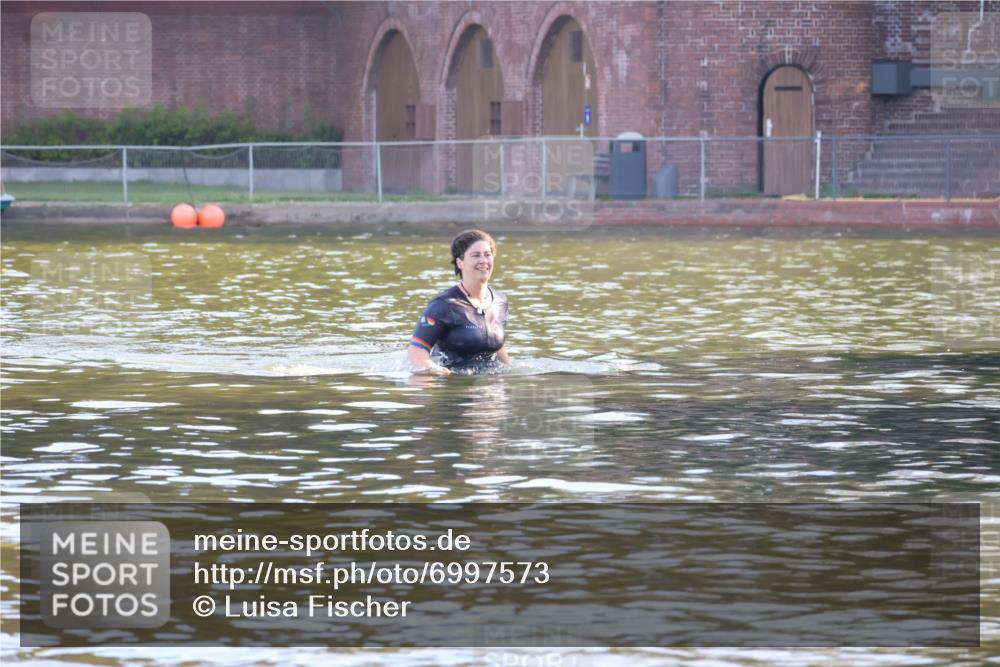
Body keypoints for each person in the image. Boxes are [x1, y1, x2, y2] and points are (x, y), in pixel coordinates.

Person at [408, 229, 510, 375]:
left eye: (487, 255)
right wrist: (435, 371)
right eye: (476, 255)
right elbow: (416, 351)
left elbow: (499, 348)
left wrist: (511, 376)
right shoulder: (443, 305)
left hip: (491, 385)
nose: (483, 260)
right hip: (453, 382)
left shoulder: (500, 301)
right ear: (460, 262)